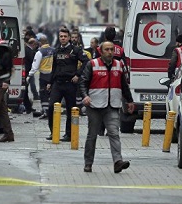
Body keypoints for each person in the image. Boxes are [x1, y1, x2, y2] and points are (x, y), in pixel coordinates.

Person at [79, 41, 136, 173]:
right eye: (107, 50)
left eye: (111, 50)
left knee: (114, 133)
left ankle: (118, 162)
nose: (110, 52)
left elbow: (124, 85)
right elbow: (83, 82)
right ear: (101, 51)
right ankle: (88, 163)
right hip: (94, 105)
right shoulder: (92, 64)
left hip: (112, 105)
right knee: (92, 135)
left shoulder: (118, 65)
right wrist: (85, 96)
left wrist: (130, 101)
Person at [46, 28, 90, 142]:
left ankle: (69, 134)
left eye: (65, 36)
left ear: (69, 38)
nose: (63, 38)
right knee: (51, 107)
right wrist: (50, 82)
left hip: (70, 84)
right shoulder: (56, 51)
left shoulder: (75, 50)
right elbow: (54, 68)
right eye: (61, 36)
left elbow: (86, 62)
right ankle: (53, 132)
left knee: (71, 110)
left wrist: (78, 75)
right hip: (57, 83)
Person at [27, 33, 54, 119]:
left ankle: (45, 111)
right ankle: (51, 111)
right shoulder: (54, 50)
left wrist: (29, 75)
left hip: (43, 76)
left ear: (40, 43)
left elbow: (35, 66)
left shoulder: (40, 52)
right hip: (52, 76)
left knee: (43, 94)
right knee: (51, 94)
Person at [21, 36, 39, 114]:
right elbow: (33, 61)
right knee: (25, 90)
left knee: (26, 90)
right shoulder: (29, 50)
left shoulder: (26, 49)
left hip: (27, 71)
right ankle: (27, 107)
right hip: (27, 72)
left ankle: (28, 106)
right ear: (33, 44)